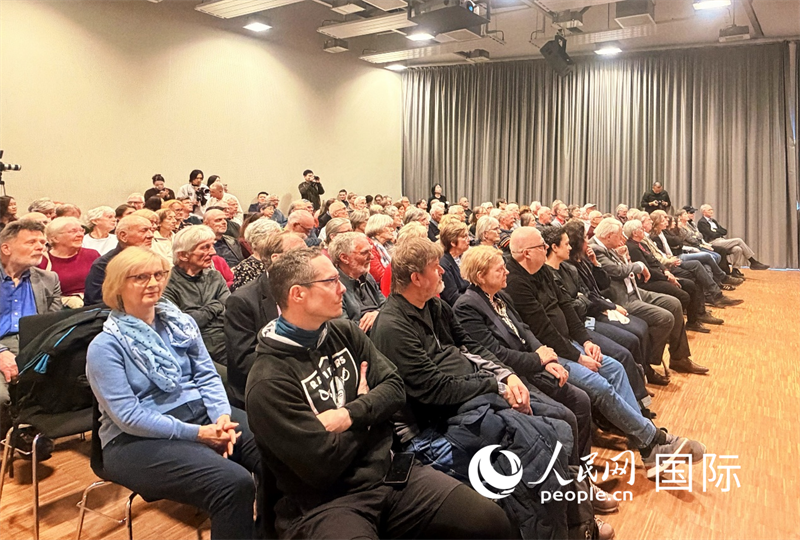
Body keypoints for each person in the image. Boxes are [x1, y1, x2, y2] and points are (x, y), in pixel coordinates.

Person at [246, 247, 514, 540]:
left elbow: (395, 389)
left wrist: (351, 413)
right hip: (326, 503)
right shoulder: (268, 380)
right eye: (331, 281)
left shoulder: (344, 333)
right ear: (298, 294)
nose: (342, 288)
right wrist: (371, 410)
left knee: (489, 520)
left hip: (389, 473)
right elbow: (323, 466)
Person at [371, 237, 583, 540]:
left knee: (557, 431)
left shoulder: (434, 305)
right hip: (429, 428)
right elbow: (434, 390)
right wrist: (495, 385)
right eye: (435, 267)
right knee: (531, 457)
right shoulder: (393, 326)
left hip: (468, 399)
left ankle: (576, 522)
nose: (443, 271)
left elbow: (470, 345)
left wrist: (508, 377)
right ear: (416, 278)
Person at [85, 247, 262, 540]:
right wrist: (199, 434)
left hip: (200, 415)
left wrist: (221, 416)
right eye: (140, 277)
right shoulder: (105, 346)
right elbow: (129, 417)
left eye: (159, 274)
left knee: (276, 449)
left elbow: (207, 375)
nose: (153, 283)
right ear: (117, 285)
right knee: (233, 483)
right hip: (133, 440)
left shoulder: (180, 323)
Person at [504, 227, 706, 479]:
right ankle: (653, 439)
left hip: (569, 344)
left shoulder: (541, 270)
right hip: (550, 354)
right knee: (600, 385)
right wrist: (578, 356)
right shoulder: (516, 282)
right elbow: (543, 328)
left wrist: (586, 341)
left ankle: (647, 445)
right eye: (541, 246)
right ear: (526, 253)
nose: (546, 249)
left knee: (616, 368)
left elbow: (566, 307)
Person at [590, 218, 708, 375]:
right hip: (622, 299)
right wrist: (640, 265)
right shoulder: (596, 248)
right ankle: (647, 364)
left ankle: (679, 358)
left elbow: (621, 267)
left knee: (674, 304)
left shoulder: (608, 246)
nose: (622, 238)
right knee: (665, 318)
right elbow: (618, 271)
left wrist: (623, 257)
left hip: (634, 290)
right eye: (619, 235)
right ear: (609, 235)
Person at [558, 221, 665, 385]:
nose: (588, 241)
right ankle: (639, 380)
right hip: (592, 313)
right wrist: (611, 306)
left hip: (600, 304)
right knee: (632, 339)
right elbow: (586, 298)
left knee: (642, 327)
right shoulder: (568, 265)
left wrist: (595, 264)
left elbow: (603, 284)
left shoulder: (584, 259)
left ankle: (644, 372)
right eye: (585, 238)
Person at [225, 231, 306, 407]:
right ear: (277, 259)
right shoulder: (242, 301)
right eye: (300, 255)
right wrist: (296, 368)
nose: (308, 261)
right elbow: (244, 361)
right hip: (265, 387)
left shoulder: (306, 289)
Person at [1, 220, 62, 413]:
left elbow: (54, 324)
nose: (40, 247)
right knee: (1, 399)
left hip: (36, 344)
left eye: (42, 242)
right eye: (31, 242)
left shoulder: (49, 279)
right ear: (6, 248)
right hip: (1, 344)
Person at [162, 226, 230, 366]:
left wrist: (200, 315)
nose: (213, 252)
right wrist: (215, 306)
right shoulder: (167, 283)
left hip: (227, 340)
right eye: (205, 247)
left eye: (212, 246)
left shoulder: (214, 276)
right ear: (183, 255)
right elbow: (182, 326)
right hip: (193, 350)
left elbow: (230, 311)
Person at [84, 215, 155, 306]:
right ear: (123, 236)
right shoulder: (103, 265)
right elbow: (97, 301)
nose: (151, 235)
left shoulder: (152, 260)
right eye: (144, 230)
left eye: (152, 230)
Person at [38, 217, 99, 308]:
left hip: (94, 306)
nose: (80, 235)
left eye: (81, 230)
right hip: (60, 309)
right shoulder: (42, 261)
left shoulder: (92, 254)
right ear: (55, 238)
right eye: (73, 231)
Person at [330, 232, 385, 333]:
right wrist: (380, 319)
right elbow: (345, 330)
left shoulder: (367, 277)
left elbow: (388, 306)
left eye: (371, 251)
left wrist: (377, 314)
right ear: (344, 258)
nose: (372, 257)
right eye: (365, 253)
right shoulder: (333, 288)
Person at [697, 204, 769, 271]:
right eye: (709, 210)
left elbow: (724, 231)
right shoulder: (702, 222)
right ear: (704, 212)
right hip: (712, 242)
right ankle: (753, 262)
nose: (711, 211)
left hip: (721, 240)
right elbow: (711, 234)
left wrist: (716, 231)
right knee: (738, 240)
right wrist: (717, 231)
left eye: (712, 209)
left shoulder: (713, 221)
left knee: (738, 249)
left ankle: (735, 270)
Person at [231, 217, 282, 291]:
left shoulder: (281, 260)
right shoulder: (245, 268)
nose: (279, 242)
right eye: (276, 238)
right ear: (259, 240)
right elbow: (245, 295)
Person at [438, 220, 470, 307]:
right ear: (452, 242)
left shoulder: (464, 257)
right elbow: (452, 297)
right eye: (464, 237)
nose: (469, 239)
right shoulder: (443, 264)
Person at [365, 214, 394, 285]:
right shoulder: (370, 246)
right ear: (377, 229)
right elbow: (378, 275)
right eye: (389, 227)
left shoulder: (387, 245)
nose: (392, 229)